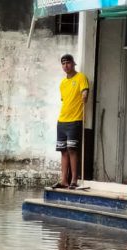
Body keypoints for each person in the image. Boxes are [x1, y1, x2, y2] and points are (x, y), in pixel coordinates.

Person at [53, 54, 89, 190]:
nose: (65, 66)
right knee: (63, 151)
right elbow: (64, 100)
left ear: (73, 63)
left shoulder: (81, 78)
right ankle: (64, 181)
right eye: (63, 64)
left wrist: (85, 95)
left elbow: (84, 91)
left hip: (75, 120)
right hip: (62, 120)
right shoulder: (62, 83)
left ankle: (74, 179)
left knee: (72, 149)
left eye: (68, 63)